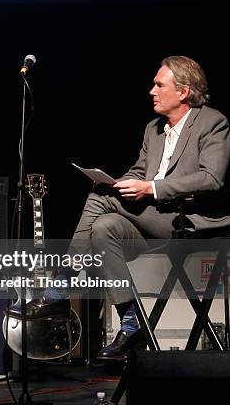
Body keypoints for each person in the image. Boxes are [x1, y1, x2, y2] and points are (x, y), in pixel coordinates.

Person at [67, 56, 230, 360]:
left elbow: (212, 177)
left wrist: (151, 189)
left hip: (190, 221)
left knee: (100, 198)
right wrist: (122, 183)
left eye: (159, 85)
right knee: (103, 228)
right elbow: (139, 172)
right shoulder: (153, 129)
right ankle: (131, 322)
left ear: (183, 91)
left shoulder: (212, 122)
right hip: (155, 221)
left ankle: (65, 275)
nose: (151, 91)